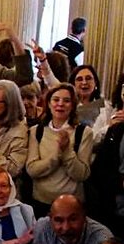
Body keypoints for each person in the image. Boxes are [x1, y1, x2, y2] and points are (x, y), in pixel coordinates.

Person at [25, 84, 93, 216]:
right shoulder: (36, 131)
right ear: (49, 104)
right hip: (41, 202)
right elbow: (32, 170)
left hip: (72, 204)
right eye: (56, 100)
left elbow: (82, 174)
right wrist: (57, 154)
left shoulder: (84, 132)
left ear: (73, 105)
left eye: (66, 101)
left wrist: (67, 151)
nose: (60, 104)